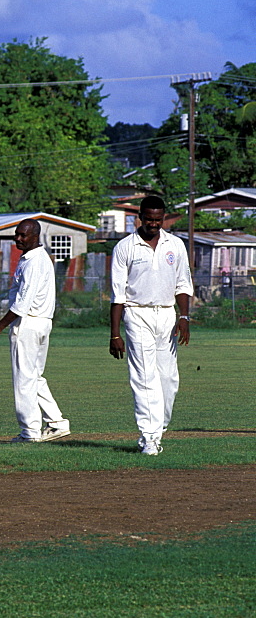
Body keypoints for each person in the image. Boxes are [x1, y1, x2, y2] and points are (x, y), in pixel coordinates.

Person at [109, 195, 192, 456]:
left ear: (164, 218)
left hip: (167, 315)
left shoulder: (175, 245)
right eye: (148, 219)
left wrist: (184, 317)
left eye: (158, 219)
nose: (153, 224)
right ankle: (149, 436)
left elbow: (182, 284)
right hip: (137, 314)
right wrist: (115, 334)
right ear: (140, 217)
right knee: (144, 377)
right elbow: (117, 294)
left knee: (168, 380)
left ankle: (159, 428)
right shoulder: (125, 247)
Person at [0, 219, 71, 443]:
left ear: (35, 236)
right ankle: (57, 423)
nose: (18, 239)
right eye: (17, 234)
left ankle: (29, 432)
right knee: (34, 377)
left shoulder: (34, 262)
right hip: (41, 322)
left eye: (24, 235)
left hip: (29, 323)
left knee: (24, 379)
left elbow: (22, 304)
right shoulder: (33, 259)